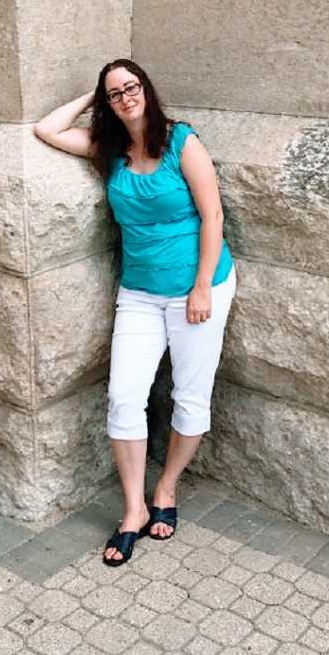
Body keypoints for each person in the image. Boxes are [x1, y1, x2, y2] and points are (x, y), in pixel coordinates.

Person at [33, 59, 236, 566]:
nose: (126, 97)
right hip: (140, 294)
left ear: (147, 87)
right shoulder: (109, 150)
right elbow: (46, 129)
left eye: (132, 86)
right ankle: (133, 511)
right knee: (124, 396)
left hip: (199, 287)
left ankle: (165, 489)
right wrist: (90, 96)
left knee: (190, 396)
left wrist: (201, 290)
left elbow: (212, 214)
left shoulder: (180, 141)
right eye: (115, 93)